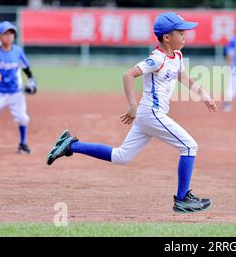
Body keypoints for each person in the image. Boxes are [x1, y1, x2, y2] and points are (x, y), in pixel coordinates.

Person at [46, 12, 218, 213]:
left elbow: (183, 77)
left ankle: (72, 145)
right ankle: (182, 199)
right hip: (152, 113)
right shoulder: (156, 59)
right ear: (167, 38)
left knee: (121, 156)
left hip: (151, 116)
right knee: (189, 146)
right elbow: (128, 75)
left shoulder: (177, 56)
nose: (185, 36)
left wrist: (202, 94)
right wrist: (132, 105)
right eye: (180, 32)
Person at [0, 21, 37, 154]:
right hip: (0, 92)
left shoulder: (18, 51)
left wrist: (32, 80)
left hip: (16, 92)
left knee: (22, 118)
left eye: (11, 33)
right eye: (5, 33)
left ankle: (23, 144)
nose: (9, 36)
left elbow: (26, 68)